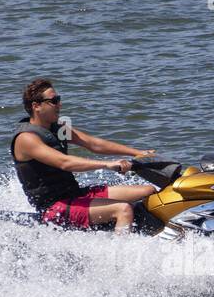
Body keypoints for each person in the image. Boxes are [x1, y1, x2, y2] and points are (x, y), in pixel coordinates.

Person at [11, 78, 157, 232]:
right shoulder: (26, 139)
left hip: (75, 194)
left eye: (58, 99)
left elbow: (93, 143)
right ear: (36, 106)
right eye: (54, 101)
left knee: (148, 190)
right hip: (55, 208)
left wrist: (138, 153)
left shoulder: (58, 128)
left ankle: (147, 229)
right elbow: (65, 162)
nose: (59, 104)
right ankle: (120, 252)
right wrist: (107, 164)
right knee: (123, 209)